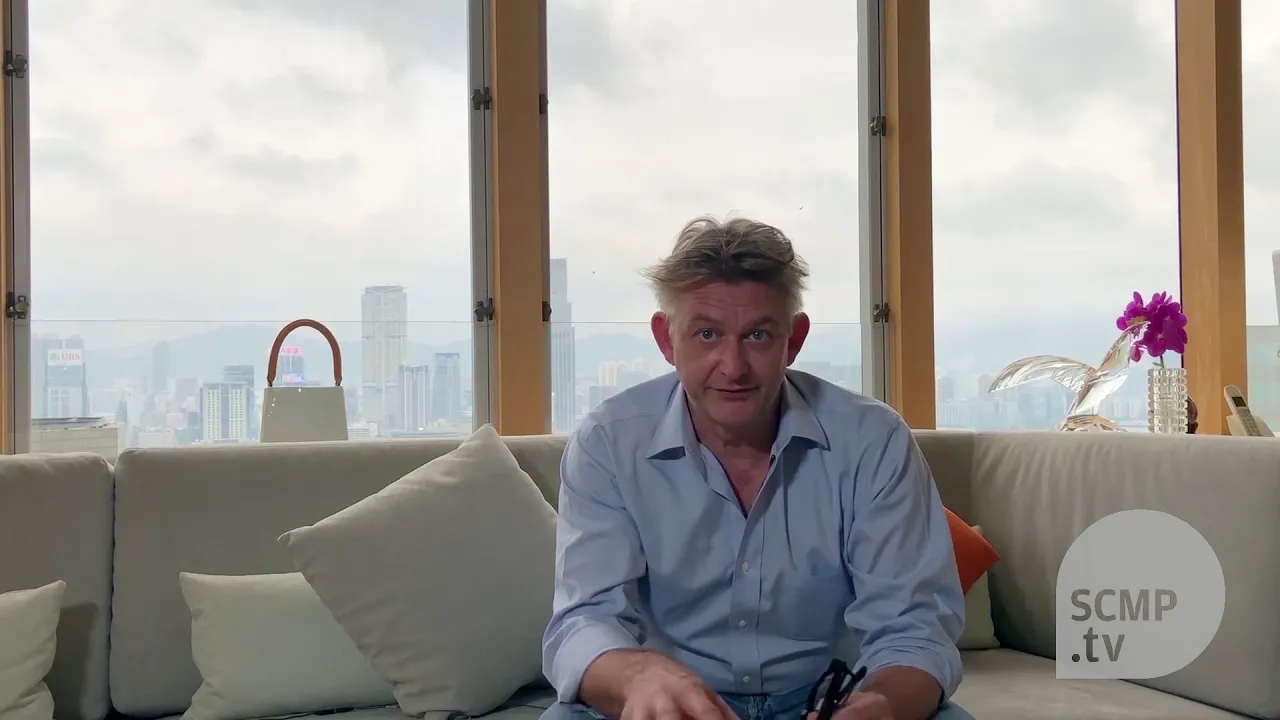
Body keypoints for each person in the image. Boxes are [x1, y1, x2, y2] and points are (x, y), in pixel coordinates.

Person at [540, 216, 973, 720]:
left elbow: (914, 630)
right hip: (672, 705)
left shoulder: (874, 440)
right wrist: (639, 679)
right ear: (666, 339)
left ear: (795, 339)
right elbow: (584, 621)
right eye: (706, 334)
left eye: (758, 336)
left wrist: (881, 706)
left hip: (831, 701)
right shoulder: (608, 443)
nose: (733, 366)